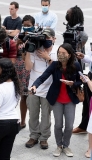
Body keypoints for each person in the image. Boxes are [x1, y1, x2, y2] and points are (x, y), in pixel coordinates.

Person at [30, 43, 82, 157]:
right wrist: (35, 86)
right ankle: (59, 146)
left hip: (70, 99)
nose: (60, 55)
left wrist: (73, 83)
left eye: (63, 53)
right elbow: (43, 76)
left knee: (69, 125)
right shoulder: (54, 65)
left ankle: (66, 145)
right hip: (57, 99)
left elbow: (81, 80)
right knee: (58, 125)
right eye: (59, 53)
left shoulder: (76, 65)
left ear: (69, 55)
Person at [24, 28, 57, 149]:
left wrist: (47, 57)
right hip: (33, 87)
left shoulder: (57, 51)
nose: (46, 40)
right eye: (44, 38)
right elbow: (28, 68)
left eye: (48, 38)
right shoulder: (35, 49)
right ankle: (33, 136)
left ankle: (44, 138)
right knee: (32, 114)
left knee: (46, 115)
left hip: (49, 89)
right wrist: (28, 50)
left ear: (54, 39)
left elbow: (58, 70)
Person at [67, 5, 89, 135]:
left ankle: (83, 124)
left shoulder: (82, 34)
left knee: (78, 92)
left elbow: (79, 50)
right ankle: (83, 125)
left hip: (76, 64)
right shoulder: (68, 28)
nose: (67, 15)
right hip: (68, 62)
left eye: (69, 14)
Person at [14, 15, 34, 129]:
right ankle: (22, 121)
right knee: (22, 96)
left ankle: (33, 122)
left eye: (29, 26)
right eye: (24, 25)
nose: (26, 28)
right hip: (19, 70)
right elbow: (12, 51)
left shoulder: (35, 37)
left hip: (31, 70)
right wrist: (17, 43)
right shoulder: (18, 36)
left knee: (32, 98)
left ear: (33, 25)